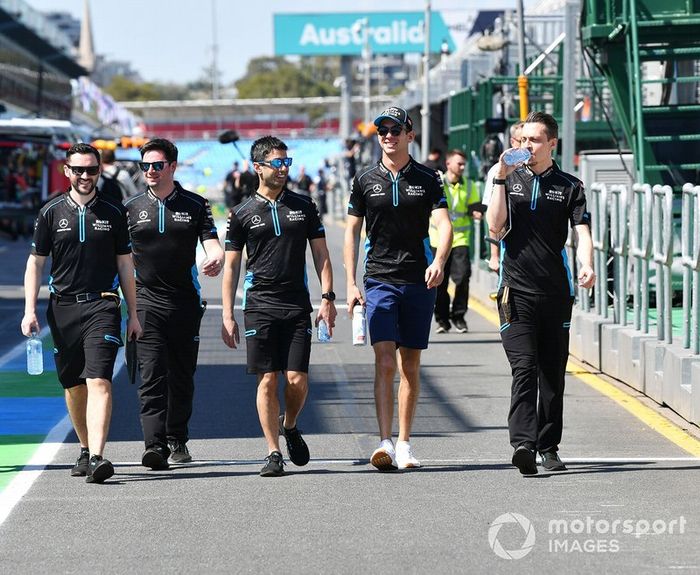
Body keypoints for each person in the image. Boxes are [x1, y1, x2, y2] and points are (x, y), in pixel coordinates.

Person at [21, 143, 142, 484]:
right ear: (67, 171)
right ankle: (86, 449)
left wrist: (133, 312)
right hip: (62, 309)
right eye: (79, 170)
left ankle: (100, 457)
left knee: (100, 380)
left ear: (99, 171)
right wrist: (30, 309)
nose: (85, 176)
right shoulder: (50, 212)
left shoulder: (115, 212)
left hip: (103, 304)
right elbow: (36, 263)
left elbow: (125, 264)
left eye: (91, 170)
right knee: (74, 386)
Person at [485, 111, 595, 475]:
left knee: (551, 373)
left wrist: (586, 263)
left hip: (555, 293)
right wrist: (500, 177)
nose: (526, 146)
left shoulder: (570, 185)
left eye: (534, 140)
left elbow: (582, 233)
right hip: (514, 291)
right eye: (522, 140)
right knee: (524, 367)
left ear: (552, 144)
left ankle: (548, 447)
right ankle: (523, 444)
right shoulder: (507, 178)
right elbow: (496, 226)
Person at [344, 106, 452, 471]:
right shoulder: (364, 179)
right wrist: (350, 282)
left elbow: (444, 224)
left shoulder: (428, 177)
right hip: (379, 279)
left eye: (395, 130)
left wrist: (438, 260)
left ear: (410, 134)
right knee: (384, 361)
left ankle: (404, 444)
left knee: (410, 365)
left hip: (419, 280)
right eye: (382, 131)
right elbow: (351, 232)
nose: (388, 136)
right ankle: (385, 442)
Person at [221, 136, 336, 477]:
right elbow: (231, 266)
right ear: (258, 167)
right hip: (258, 305)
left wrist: (327, 298)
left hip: (296, 303)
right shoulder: (241, 214)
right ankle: (273, 452)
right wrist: (228, 314)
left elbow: (320, 254)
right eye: (277, 163)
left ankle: (291, 424)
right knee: (268, 379)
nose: (284, 168)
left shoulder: (304, 206)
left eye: (287, 162)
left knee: (297, 379)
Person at [125, 138, 224, 470]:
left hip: (184, 302)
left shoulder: (196, 205)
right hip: (146, 302)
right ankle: (154, 445)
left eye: (157, 165)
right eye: (145, 166)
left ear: (172, 167)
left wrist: (216, 256)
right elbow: (118, 257)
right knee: (151, 374)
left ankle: (176, 439)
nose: (150, 171)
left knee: (182, 375)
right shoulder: (131, 207)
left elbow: (211, 241)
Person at [429, 149, 482, 334]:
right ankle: (442, 320)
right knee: (439, 282)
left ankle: (458, 316)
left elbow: (474, 206)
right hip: (438, 240)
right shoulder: (437, 183)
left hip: (460, 239)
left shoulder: (469, 186)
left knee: (463, 277)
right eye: (458, 163)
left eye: (463, 164)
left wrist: (476, 212)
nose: (462, 167)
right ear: (448, 164)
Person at [483, 122, 523, 274]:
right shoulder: (498, 171)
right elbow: (493, 218)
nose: (527, 147)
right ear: (513, 142)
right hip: (510, 250)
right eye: (522, 141)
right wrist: (494, 255)